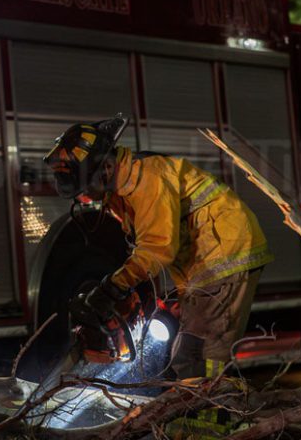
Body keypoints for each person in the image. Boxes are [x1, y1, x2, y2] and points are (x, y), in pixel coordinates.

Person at [43, 116, 272, 382]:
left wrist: (112, 287)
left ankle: (211, 414)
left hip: (226, 253)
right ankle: (198, 408)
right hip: (202, 261)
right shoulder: (121, 189)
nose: (83, 199)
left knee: (203, 350)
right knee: (188, 349)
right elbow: (150, 244)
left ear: (105, 167)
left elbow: (157, 248)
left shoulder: (147, 178)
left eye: (85, 189)